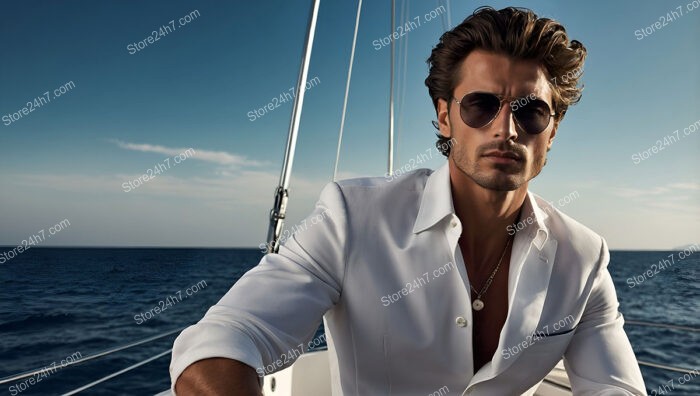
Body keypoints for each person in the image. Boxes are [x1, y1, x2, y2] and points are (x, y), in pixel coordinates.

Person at [170, 6, 646, 395]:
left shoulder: (583, 258)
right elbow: (223, 341)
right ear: (445, 117)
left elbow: (616, 388)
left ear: (552, 130)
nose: (506, 129)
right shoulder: (352, 218)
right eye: (481, 106)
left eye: (531, 111)